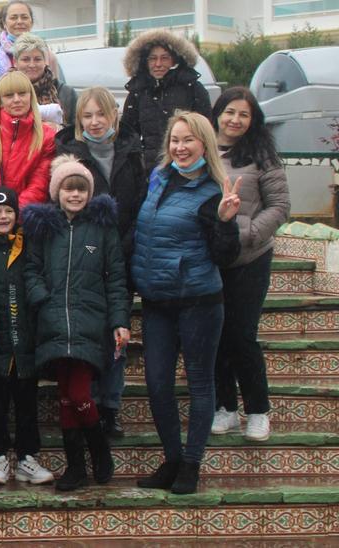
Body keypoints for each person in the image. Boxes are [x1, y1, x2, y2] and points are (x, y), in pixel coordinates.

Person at [133, 112, 242, 495]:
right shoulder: (159, 178)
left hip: (198, 300)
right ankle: (172, 458)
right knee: (157, 383)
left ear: (204, 144)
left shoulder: (215, 190)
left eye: (188, 140)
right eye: (175, 140)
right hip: (157, 298)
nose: (180, 147)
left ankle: (191, 464)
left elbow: (226, 256)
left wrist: (227, 221)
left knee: (199, 382)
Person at [22, 155, 130, 491]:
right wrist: (42, 299)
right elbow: (31, 269)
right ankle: (76, 465)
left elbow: (116, 279)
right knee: (66, 395)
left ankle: (99, 451)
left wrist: (119, 321)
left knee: (80, 391)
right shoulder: (44, 227)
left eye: (81, 189)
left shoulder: (101, 228)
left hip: (89, 323)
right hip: (53, 323)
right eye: (69, 189)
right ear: (57, 192)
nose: (75, 195)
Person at [55, 86, 149, 438]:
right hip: (85, 255)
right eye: (87, 116)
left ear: (114, 116)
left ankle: (111, 407)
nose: (95, 122)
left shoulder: (131, 151)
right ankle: (88, 402)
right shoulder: (70, 153)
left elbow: (141, 202)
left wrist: (125, 243)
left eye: (101, 114)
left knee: (117, 335)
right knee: (89, 337)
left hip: (123, 253)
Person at [210, 87, 290, 442]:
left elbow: (280, 205)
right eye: (229, 112)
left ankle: (257, 410)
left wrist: (251, 231)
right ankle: (224, 407)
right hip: (211, 256)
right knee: (215, 336)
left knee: (242, 335)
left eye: (243, 114)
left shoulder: (262, 154)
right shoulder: (203, 148)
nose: (235, 120)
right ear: (217, 113)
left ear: (252, 119)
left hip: (250, 257)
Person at [0, 187, 53, 487]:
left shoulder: (26, 247)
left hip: (24, 344)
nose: (3, 216)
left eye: (8, 211)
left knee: (26, 403)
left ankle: (27, 458)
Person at [121, 29, 212, 165]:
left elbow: (206, 131)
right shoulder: (138, 92)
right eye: (152, 58)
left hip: (187, 167)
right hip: (151, 170)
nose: (158, 64)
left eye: (164, 58)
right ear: (145, 62)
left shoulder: (192, 88)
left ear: (174, 60)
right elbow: (128, 136)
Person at [0, 71, 56, 209]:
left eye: (22, 94)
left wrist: (14, 211)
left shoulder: (47, 137)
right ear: (0, 100)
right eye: (9, 95)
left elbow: (40, 183)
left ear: (31, 96)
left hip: (26, 217)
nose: (17, 100)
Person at [9, 33, 76, 130]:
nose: (32, 65)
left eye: (37, 59)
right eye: (26, 59)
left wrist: (60, 129)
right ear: (15, 62)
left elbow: (79, 130)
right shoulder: (3, 91)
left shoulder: (65, 93)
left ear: (45, 61)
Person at [0, 1, 59, 79]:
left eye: (24, 17)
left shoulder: (47, 55)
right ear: (4, 23)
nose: (19, 21)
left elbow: (56, 88)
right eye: (13, 18)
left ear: (31, 22)